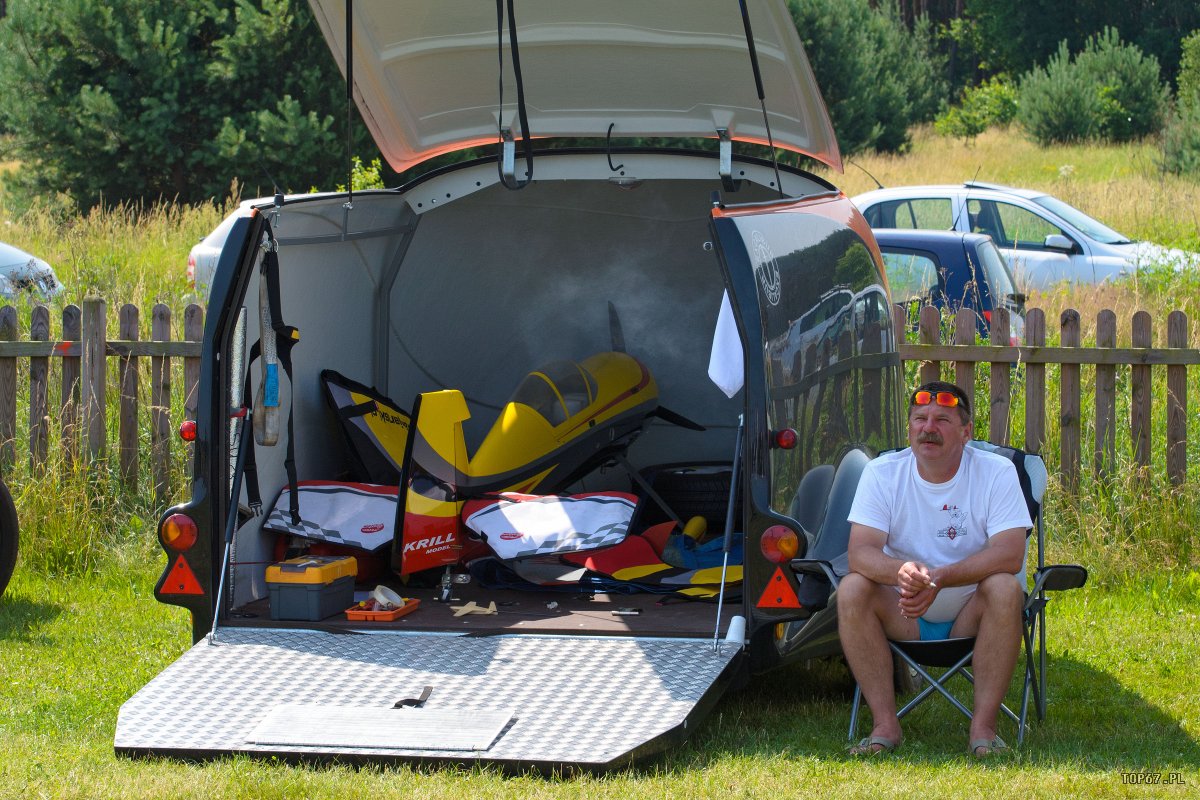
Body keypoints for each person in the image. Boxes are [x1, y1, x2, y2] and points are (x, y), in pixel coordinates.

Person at [838, 380, 1033, 757]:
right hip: (903, 612)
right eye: (920, 418)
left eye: (942, 419)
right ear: (909, 428)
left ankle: (984, 731)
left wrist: (940, 578)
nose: (929, 427)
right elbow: (859, 553)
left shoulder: (996, 473)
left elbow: (1010, 554)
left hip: (971, 613)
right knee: (851, 588)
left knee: (1005, 587)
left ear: (966, 432)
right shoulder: (882, 473)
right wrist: (901, 571)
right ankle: (885, 726)